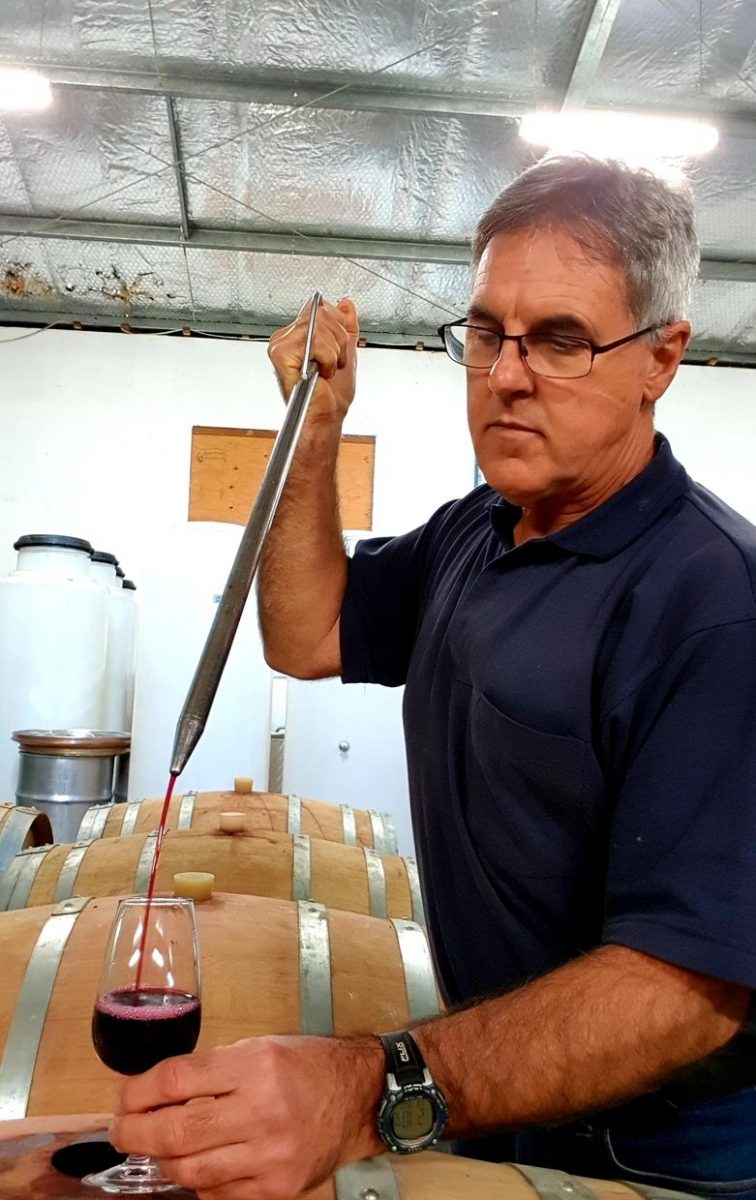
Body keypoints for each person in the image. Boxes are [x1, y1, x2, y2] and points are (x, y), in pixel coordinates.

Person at [111, 156, 756, 1200]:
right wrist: (313, 433)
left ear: (662, 359)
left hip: (665, 1148)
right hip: (506, 1088)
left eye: (559, 339)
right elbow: (307, 631)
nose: (505, 374)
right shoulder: (479, 532)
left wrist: (378, 1083)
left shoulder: (714, 604)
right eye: (488, 333)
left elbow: (686, 987)